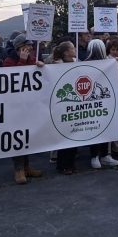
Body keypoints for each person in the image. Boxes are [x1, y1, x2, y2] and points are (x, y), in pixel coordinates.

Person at [3, 34, 44, 184]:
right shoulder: (9, 61)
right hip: (15, 106)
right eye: (28, 46)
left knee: (28, 135)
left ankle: (27, 167)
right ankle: (18, 169)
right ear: (20, 47)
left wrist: (39, 65)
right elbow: (14, 79)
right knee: (17, 136)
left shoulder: (32, 59)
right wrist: (22, 61)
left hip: (30, 105)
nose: (31, 48)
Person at [84, 39, 118, 169]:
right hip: (97, 101)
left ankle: (103, 155)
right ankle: (97, 156)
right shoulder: (101, 63)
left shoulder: (107, 63)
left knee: (104, 127)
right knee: (96, 128)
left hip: (104, 101)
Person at [51, 41, 80, 175]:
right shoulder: (56, 65)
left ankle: (71, 163)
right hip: (62, 105)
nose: (75, 50)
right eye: (72, 48)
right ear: (66, 52)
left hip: (75, 103)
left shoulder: (77, 61)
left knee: (74, 136)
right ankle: (63, 165)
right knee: (64, 137)